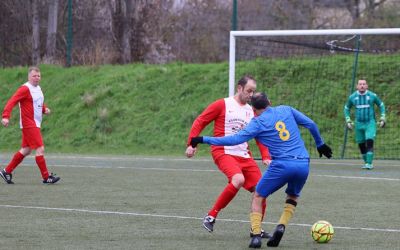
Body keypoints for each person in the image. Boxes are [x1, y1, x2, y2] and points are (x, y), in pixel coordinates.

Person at [190, 92, 332, 248]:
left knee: (258, 195)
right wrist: (320, 144)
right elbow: (311, 124)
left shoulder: (257, 123)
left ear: (253, 108)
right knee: (292, 195)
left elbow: (234, 139)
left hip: (282, 165)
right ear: (269, 102)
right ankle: (281, 225)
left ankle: (256, 235)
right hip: (303, 164)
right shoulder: (286, 109)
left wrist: (203, 139)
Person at [185, 75, 271, 236]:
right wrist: (191, 144)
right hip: (223, 151)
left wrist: (266, 155)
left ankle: (257, 228)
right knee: (238, 179)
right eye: (248, 91)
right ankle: (211, 216)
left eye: (253, 92)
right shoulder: (222, 104)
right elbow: (201, 120)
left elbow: (259, 135)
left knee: (262, 190)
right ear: (239, 88)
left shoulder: (252, 111)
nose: (251, 95)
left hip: (244, 155)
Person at [0, 66, 60, 185]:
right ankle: (46, 177)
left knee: (26, 150)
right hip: (29, 124)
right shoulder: (24, 89)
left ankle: (6, 171)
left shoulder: (38, 88)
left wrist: (44, 109)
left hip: (35, 123)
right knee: (40, 148)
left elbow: (36, 102)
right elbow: (12, 101)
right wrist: (5, 116)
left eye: (38, 76)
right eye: (34, 76)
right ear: (29, 76)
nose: (37, 78)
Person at [344, 79, 386, 170]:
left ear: (367, 86)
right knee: (361, 144)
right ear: (357, 86)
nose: (362, 86)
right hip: (358, 124)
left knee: (369, 141)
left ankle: (369, 163)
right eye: (360, 84)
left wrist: (382, 117)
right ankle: (367, 162)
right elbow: (346, 108)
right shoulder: (352, 97)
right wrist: (348, 120)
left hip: (370, 123)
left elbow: (381, 105)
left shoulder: (372, 96)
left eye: (364, 84)